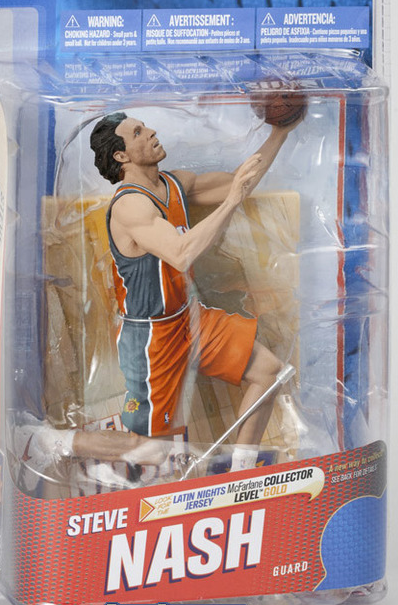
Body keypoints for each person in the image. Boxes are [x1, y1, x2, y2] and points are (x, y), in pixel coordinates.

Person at [89, 111, 299, 472]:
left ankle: (239, 473)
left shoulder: (176, 183)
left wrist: (281, 130)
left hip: (189, 318)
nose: (151, 130)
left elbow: (239, 182)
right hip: (151, 338)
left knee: (269, 372)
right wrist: (231, 201)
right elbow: (181, 253)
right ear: (121, 156)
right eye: (138, 132)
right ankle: (56, 443)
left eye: (145, 126)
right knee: (151, 452)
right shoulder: (129, 205)